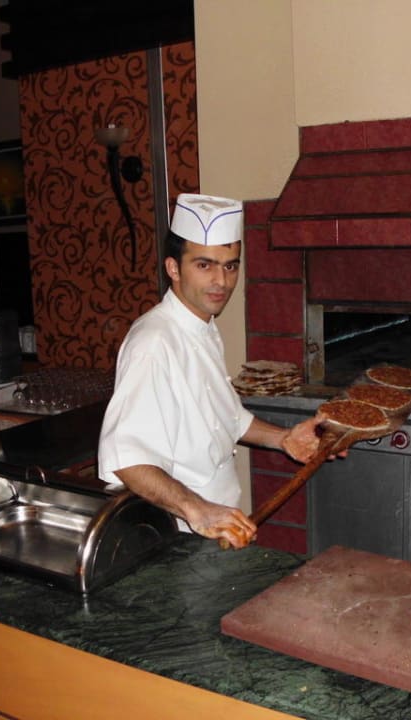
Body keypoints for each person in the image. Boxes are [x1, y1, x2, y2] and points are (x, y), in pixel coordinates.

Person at [98, 193, 324, 549]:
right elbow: (126, 459)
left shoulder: (204, 326)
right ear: (173, 268)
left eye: (230, 266)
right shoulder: (154, 343)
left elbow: (227, 419)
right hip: (177, 539)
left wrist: (283, 438)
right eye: (205, 265)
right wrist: (198, 510)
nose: (221, 280)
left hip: (216, 529)